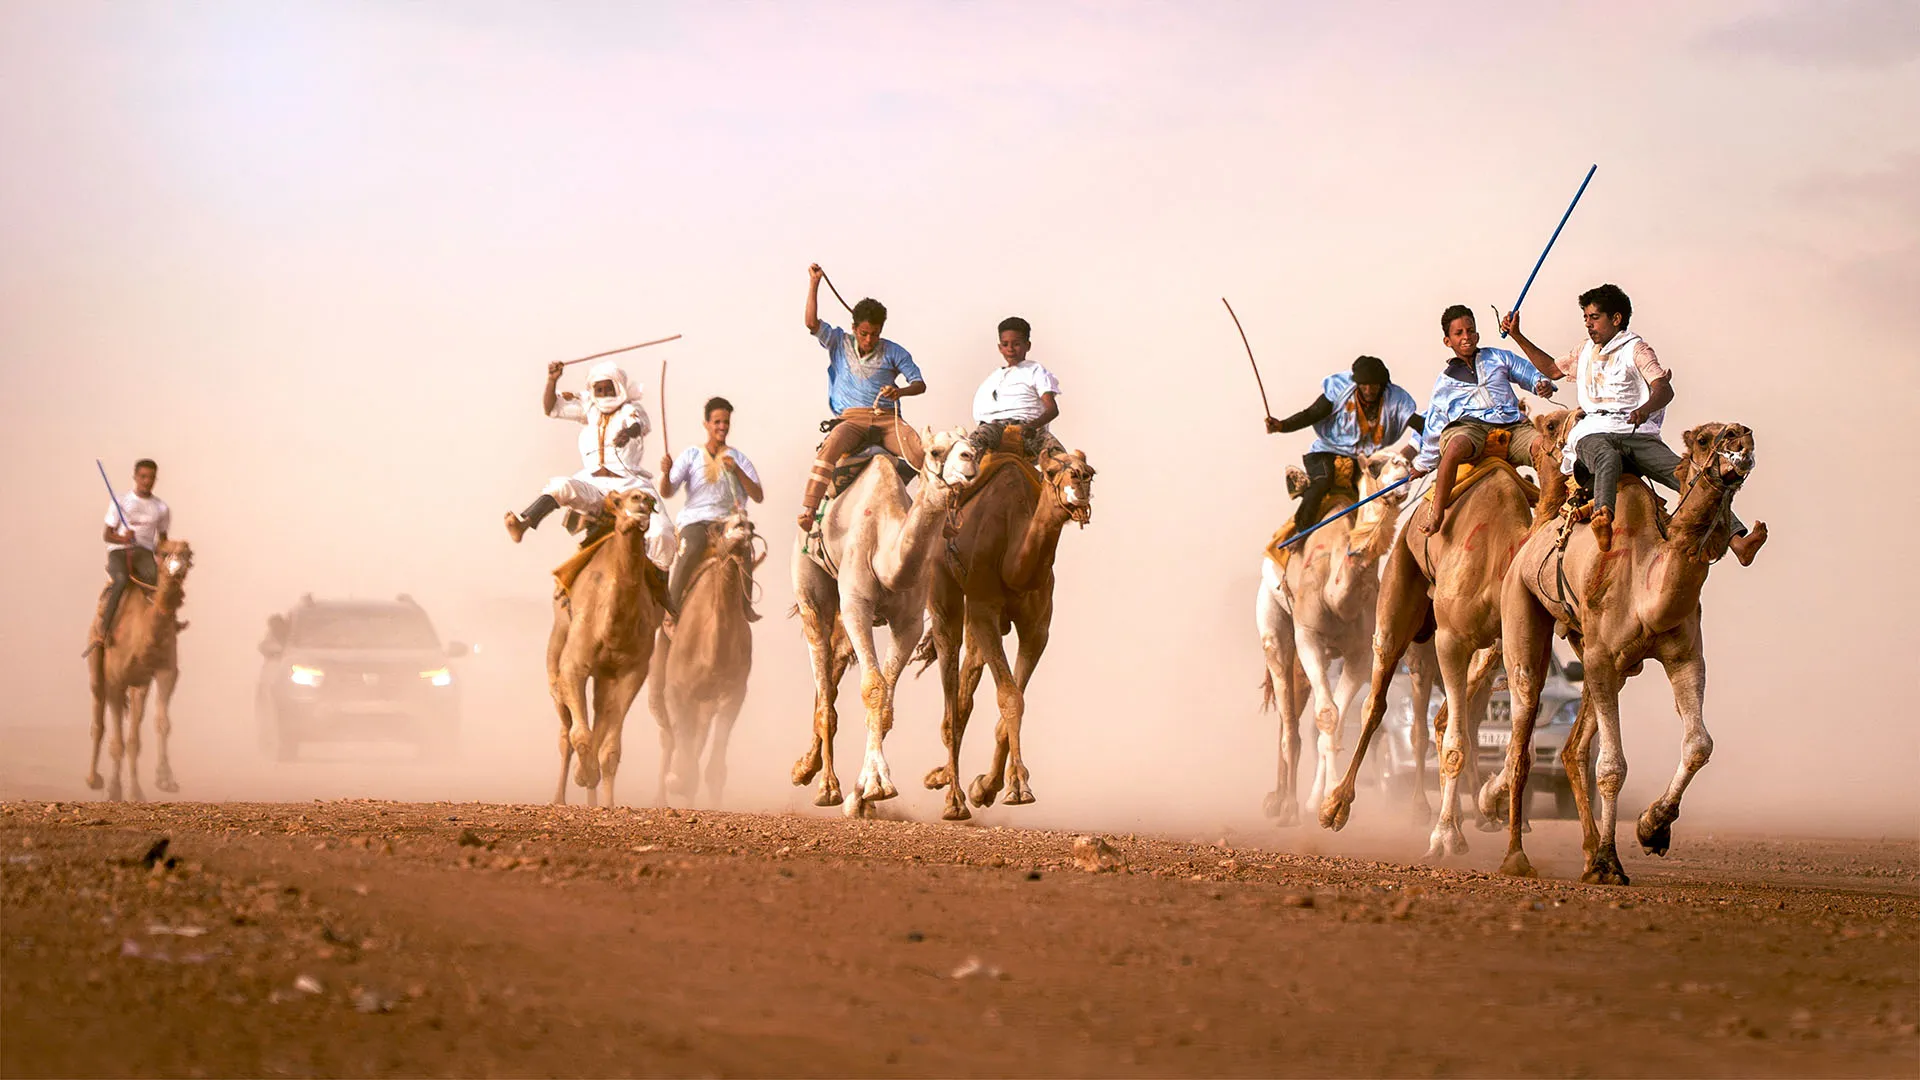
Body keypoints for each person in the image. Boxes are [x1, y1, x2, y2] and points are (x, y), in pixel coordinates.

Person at [1500, 285, 1766, 562]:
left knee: (1689, 476)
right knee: (1606, 457)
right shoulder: (1584, 351)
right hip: (1595, 432)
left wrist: (1644, 409)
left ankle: (1737, 540)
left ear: (1616, 319)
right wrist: (1518, 335)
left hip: (1635, 432)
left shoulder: (1636, 349)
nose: (1589, 324)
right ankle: (1603, 516)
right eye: (1586, 318)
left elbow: (1664, 389)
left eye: (1594, 317)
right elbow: (1553, 370)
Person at [504, 358, 675, 566]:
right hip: (593, 485)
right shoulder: (590, 409)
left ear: (618, 387)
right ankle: (524, 523)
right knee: (561, 485)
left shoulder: (630, 409)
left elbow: (637, 425)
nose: (604, 394)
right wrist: (552, 380)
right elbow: (551, 409)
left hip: (629, 486)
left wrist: (628, 433)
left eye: (608, 389)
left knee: (662, 532)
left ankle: (660, 582)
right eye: (599, 390)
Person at [797, 263, 927, 529]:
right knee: (830, 446)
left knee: (920, 452)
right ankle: (809, 510)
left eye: (875, 334)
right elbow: (811, 322)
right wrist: (814, 284)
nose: (869, 339)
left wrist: (899, 390)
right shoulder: (837, 341)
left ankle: (940, 514)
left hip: (887, 419)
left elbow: (919, 383)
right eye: (864, 333)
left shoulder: (894, 351)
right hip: (852, 420)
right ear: (854, 327)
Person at [1411, 305, 1558, 534]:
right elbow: (1434, 427)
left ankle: (1554, 506)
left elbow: (1530, 374)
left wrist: (1542, 384)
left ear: (1477, 334)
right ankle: (1437, 514)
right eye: (1458, 333)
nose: (1466, 337)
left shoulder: (1499, 357)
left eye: (1470, 330)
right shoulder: (1444, 383)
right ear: (1447, 341)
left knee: (1544, 447)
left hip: (1511, 425)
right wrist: (1422, 465)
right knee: (1455, 446)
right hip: (1471, 428)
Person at [1265, 355, 1423, 532]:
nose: (1369, 390)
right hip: (1325, 452)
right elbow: (1311, 414)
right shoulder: (1340, 391)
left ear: (1382, 385)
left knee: (1379, 493)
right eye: (1364, 385)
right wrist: (1282, 425)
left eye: (1374, 385)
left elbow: (1419, 424)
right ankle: (1301, 531)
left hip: (1362, 459)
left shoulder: (1395, 401)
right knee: (1323, 482)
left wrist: (1438, 439)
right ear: (1357, 385)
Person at [659, 396, 764, 617]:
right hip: (695, 520)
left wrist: (738, 471)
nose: (722, 427)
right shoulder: (691, 455)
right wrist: (665, 473)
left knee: (743, 545)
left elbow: (758, 495)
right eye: (717, 422)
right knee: (692, 547)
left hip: (727, 521)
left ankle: (746, 607)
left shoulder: (738, 458)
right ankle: (672, 607)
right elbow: (667, 492)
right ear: (706, 424)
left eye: (726, 422)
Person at [966, 316, 1070, 466]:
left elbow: (1052, 410)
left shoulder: (1036, 370)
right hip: (992, 428)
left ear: (1027, 345)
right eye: (1005, 344)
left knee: (1063, 463)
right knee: (968, 451)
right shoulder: (993, 377)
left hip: (1027, 429)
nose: (1010, 349)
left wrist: (1032, 426)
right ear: (999, 347)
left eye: (1016, 344)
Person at [93, 458, 170, 649]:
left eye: (151, 477)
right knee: (120, 580)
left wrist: (162, 557)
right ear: (135, 477)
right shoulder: (120, 501)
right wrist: (123, 539)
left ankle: (166, 630)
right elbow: (107, 535)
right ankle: (104, 629)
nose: (146, 481)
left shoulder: (161, 508)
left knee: (162, 586)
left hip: (144, 553)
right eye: (143, 477)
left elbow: (162, 540)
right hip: (119, 551)